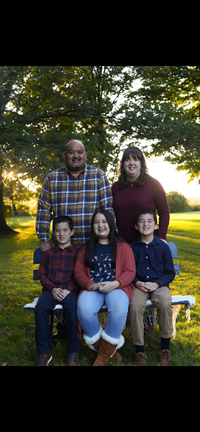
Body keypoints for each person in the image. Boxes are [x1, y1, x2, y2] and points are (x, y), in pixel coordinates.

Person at [74, 208, 136, 366]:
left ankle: (101, 359)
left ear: (110, 224)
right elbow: (79, 272)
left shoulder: (123, 247)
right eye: (96, 222)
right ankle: (108, 351)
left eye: (104, 221)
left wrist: (115, 284)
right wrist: (91, 284)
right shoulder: (85, 249)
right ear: (92, 226)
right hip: (93, 288)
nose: (100, 225)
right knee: (84, 309)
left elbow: (130, 271)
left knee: (120, 308)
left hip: (117, 287)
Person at [36, 139, 114, 252]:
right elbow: (43, 211)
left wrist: (110, 238)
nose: (76, 155)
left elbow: (108, 210)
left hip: (92, 246)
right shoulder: (52, 179)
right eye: (71, 152)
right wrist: (43, 239)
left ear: (85, 155)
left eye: (80, 152)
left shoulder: (98, 176)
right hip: (61, 248)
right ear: (64, 155)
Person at [129, 209, 175, 366]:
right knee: (135, 307)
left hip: (159, 284)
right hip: (139, 285)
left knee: (164, 302)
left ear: (156, 226)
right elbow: (129, 271)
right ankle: (140, 351)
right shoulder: (132, 248)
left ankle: (165, 349)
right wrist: (137, 283)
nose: (145, 224)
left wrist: (157, 283)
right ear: (136, 226)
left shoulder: (163, 247)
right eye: (141, 221)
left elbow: (170, 273)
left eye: (149, 221)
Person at [35, 215, 80, 366]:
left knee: (73, 309)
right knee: (41, 308)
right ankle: (44, 352)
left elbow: (80, 275)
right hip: (51, 290)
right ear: (53, 233)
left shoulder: (77, 253)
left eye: (65, 230)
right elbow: (42, 274)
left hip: (70, 291)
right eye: (58, 231)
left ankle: (73, 351)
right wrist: (52, 289)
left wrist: (69, 289)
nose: (61, 234)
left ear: (72, 232)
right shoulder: (49, 254)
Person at [112, 146, 170, 244]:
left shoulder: (154, 184)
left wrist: (162, 236)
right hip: (122, 244)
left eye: (135, 159)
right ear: (123, 164)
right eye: (127, 160)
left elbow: (164, 212)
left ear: (141, 164)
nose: (131, 163)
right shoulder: (115, 187)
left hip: (148, 243)